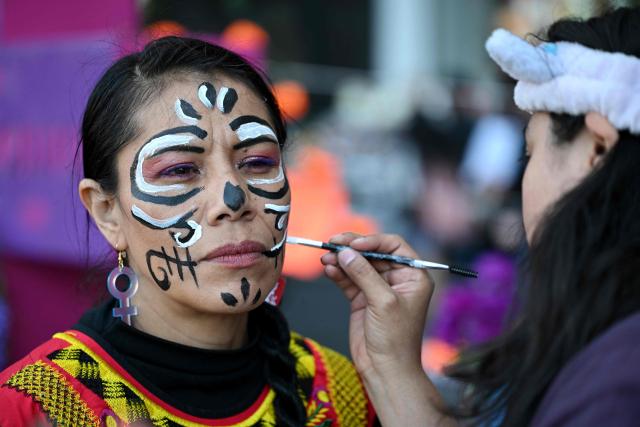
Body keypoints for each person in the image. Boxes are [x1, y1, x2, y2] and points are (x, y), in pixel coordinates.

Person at [0, 36, 376, 427]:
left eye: (258, 162)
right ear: (107, 212)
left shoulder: (340, 393)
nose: (233, 199)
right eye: (180, 170)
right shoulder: (37, 407)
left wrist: (401, 377)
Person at [321, 7, 640, 427]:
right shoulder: (608, 353)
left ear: (596, 149)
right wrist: (391, 367)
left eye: (531, 153)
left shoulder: (618, 384)